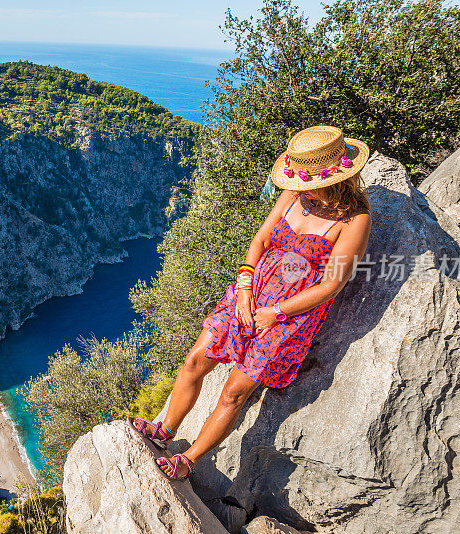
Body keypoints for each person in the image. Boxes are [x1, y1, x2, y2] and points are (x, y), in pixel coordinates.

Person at [128, 125, 372, 480]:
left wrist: (276, 313)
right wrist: (243, 289)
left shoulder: (354, 220)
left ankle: (190, 458)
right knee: (195, 361)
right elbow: (259, 240)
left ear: (333, 179)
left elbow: (333, 284)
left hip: (291, 317)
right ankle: (164, 430)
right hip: (251, 292)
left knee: (234, 393)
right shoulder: (293, 193)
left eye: (308, 185)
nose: (300, 190)